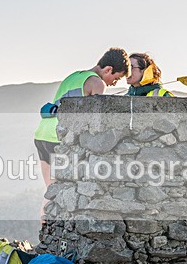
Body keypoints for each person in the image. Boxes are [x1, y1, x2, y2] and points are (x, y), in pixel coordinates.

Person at [33, 47, 130, 194]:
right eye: (116, 78)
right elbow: (96, 118)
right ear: (108, 69)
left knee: (51, 192)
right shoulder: (97, 83)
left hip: (43, 134)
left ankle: (45, 217)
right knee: (65, 192)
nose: (114, 83)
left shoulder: (72, 77)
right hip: (59, 139)